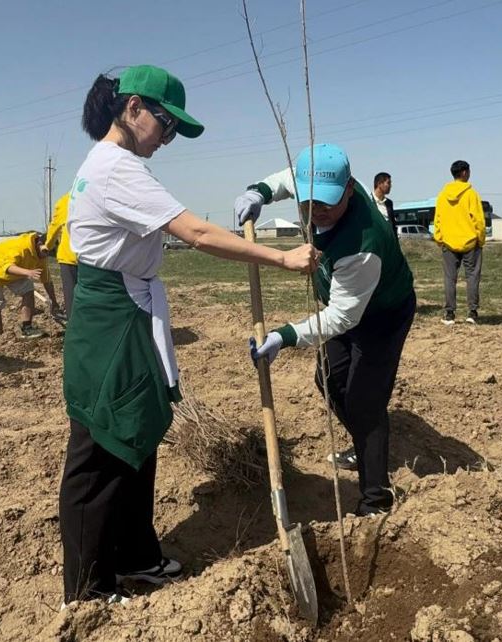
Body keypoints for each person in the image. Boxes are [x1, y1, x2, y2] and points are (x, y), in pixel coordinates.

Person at [59, 64, 319, 605]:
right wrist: (280, 257)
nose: (168, 137)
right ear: (132, 109)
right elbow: (195, 232)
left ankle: (135, 555)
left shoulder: (115, 163)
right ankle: (87, 592)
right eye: (165, 123)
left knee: (137, 433)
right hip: (113, 319)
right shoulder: (116, 170)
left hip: (123, 307)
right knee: (102, 446)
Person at [235, 143, 416, 518]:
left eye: (327, 204)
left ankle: (375, 499)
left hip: (381, 313)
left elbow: (342, 318)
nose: (316, 211)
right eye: (309, 203)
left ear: (350, 188)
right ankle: (367, 444)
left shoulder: (362, 244)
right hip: (344, 305)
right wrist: (260, 192)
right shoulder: (316, 188)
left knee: (366, 403)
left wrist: (284, 336)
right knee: (329, 379)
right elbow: (288, 179)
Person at [0, 231, 61, 338]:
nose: (47, 256)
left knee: (28, 292)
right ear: (40, 244)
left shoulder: (41, 256)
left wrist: (54, 302)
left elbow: (47, 281)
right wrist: (28, 272)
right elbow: (7, 267)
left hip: (17, 273)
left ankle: (27, 328)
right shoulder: (20, 247)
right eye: (47, 253)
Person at [433, 160, 485, 325]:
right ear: (464, 173)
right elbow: (478, 219)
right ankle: (472, 312)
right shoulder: (471, 194)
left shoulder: (442, 195)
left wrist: (439, 238)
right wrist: (480, 239)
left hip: (448, 243)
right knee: (472, 277)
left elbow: (438, 219)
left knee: (450, 278)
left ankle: (449, 314)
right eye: (469, 171)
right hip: (470, 242)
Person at [43, 193, 78, 317]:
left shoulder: (66, 200)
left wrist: (48, 246)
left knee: (71, 296)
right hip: (95, 258)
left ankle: (73, 326)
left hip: (69, 257)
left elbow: (54, 227)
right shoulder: (98, 196)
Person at [371, 172, 399, 238]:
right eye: (388, 183)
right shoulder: (369, 201)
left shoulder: (389, 203)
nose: (390, 186)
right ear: (379, 184)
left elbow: (393, 226)